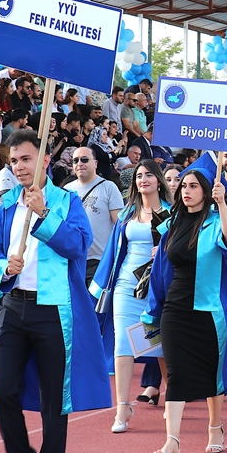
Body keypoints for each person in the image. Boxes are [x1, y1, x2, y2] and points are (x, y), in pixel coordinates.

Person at [0, 128, 111, 453]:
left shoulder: (66, 201)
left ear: (45, 162)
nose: (19, 166)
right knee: (3, 390)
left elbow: (78, 246)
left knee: (55, 402)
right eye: (14, 160)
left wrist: (44, 215)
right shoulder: (6, 207)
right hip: (13, 307)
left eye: (26, 159)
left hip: (54, 310)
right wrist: (5, 265)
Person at [142, 155, 227, 453]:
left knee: (213, 375)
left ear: (207, 190)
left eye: (194, 186)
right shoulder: (172, 224)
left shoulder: (214, 223)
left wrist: (222, 204)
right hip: (174, 310)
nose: (186, 190)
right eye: (184, 185)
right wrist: (151, 312)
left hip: (209, 311)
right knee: (177, 374)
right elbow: (159, 271)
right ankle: (172, 442)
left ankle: (215, 426)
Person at [91, 158, 171, 435]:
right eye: (139, 175)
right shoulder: (127, 213)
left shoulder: (173, 214)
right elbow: (114, 253)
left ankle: (173, 399)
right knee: (123, 346)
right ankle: (122, 407)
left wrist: (164, 253)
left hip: (158, 289)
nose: (143, 179)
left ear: (159, 180)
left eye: (149, 174)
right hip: (127, 286)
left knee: (160, 346)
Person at [64, 146, 123, 284]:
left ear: (95, 163)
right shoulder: (66, 190)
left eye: (84, 159)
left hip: (99, 260)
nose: (79, 164)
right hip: (72, 261)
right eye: (75, 160)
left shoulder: (109, 187)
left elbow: (119, 225)